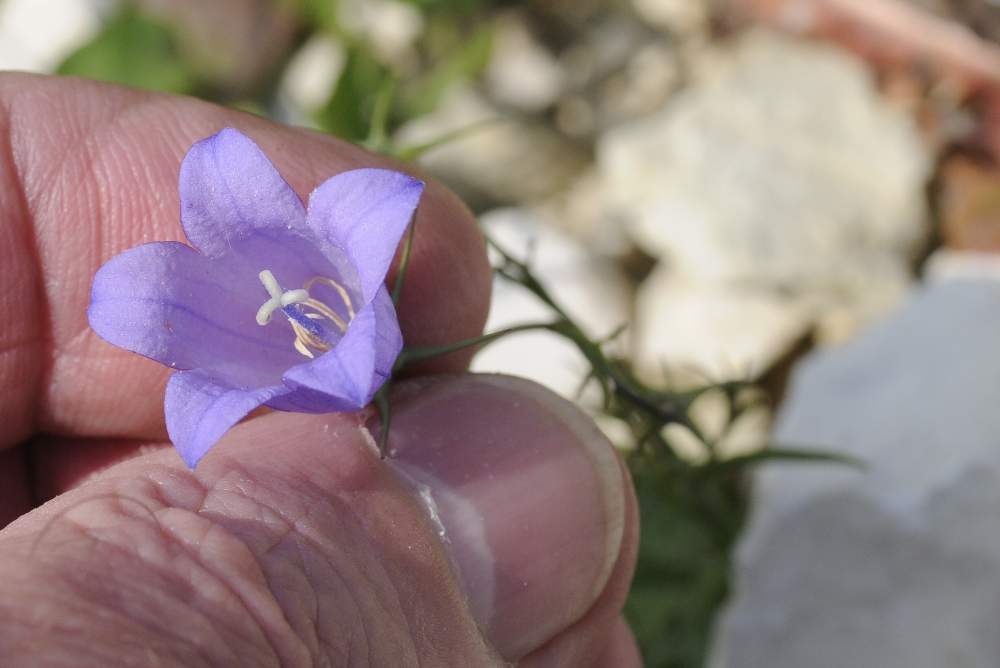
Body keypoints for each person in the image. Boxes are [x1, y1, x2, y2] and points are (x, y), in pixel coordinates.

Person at [0, 73, 640, 667]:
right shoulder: (220, 375)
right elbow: (337, 374)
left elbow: (366, 246)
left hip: (361, 359)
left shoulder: (310, 241)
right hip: (355, 369)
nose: (288, 309)